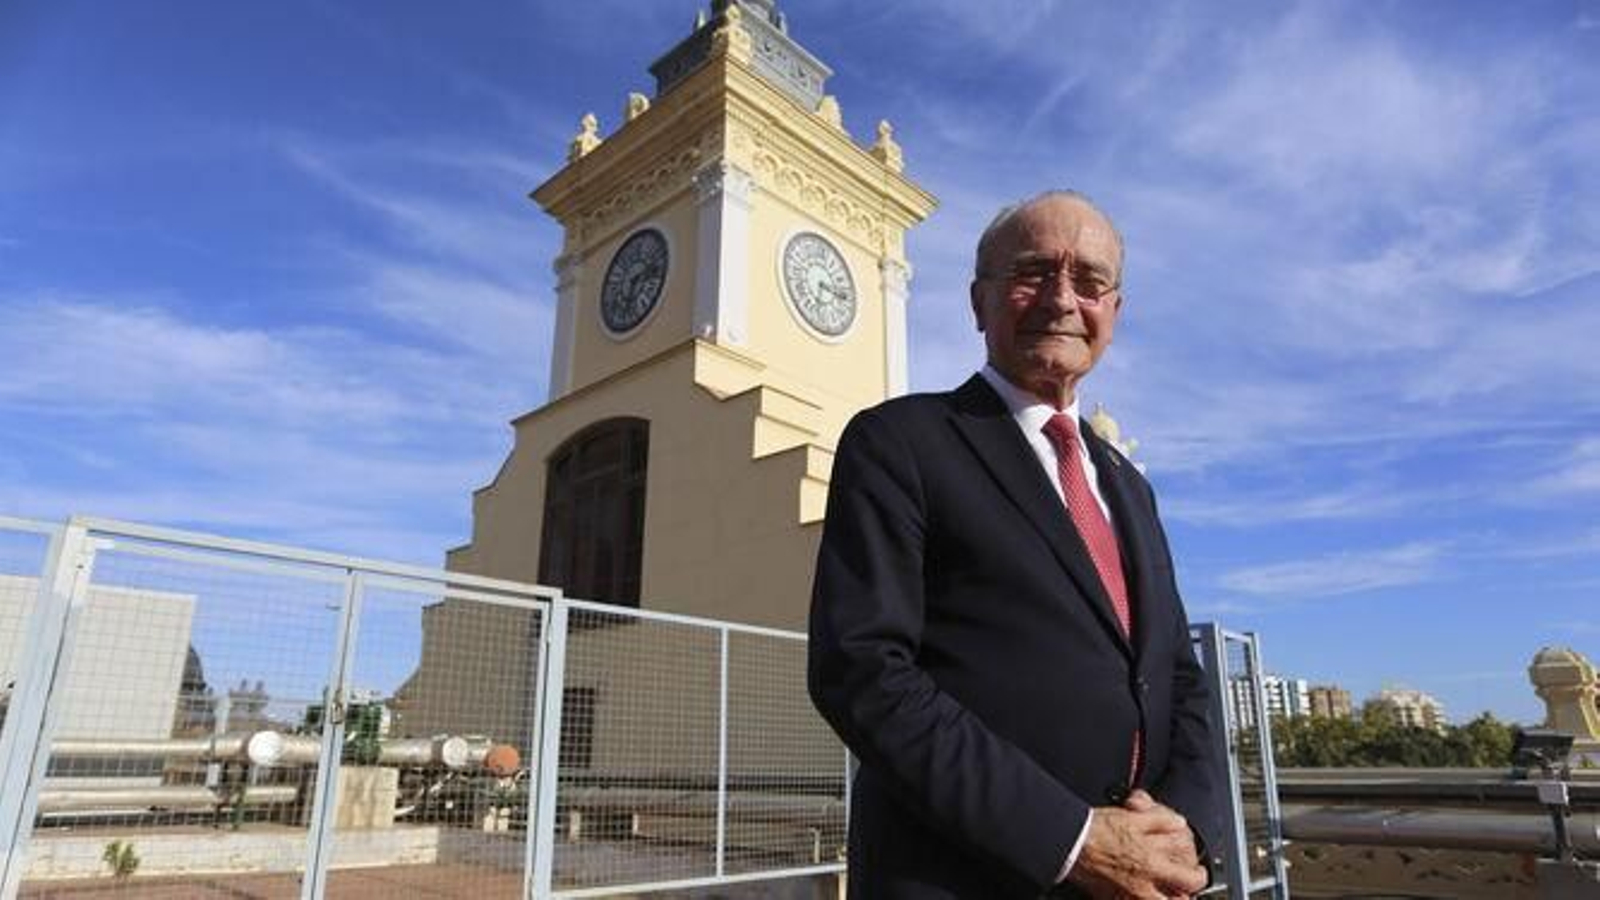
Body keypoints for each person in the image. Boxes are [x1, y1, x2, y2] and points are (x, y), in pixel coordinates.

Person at [808, 191, 1220, 898]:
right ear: (979, 302)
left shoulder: (1129, 487)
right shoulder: (900, 443)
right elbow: (862, 669)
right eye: (1033, 272)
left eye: (1089, 281)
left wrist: (1186, 832)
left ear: (1113, 312)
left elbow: (1178, 676)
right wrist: (1071, 839)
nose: (1061, 299)